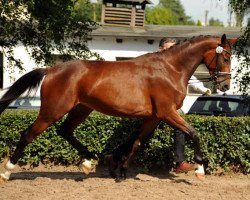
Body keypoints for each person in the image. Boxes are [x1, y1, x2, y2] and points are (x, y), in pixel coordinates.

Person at [158, 37, 211, 173]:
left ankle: (180, 163)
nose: (172, 51)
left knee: (179, 126)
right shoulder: (155, 62)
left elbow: (188, 77)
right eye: (169, 48)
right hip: (154, 105)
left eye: (173, 48)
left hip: (167, 106)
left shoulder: (174, 63)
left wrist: (203, 89)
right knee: (142, 133)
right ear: (161, 49)